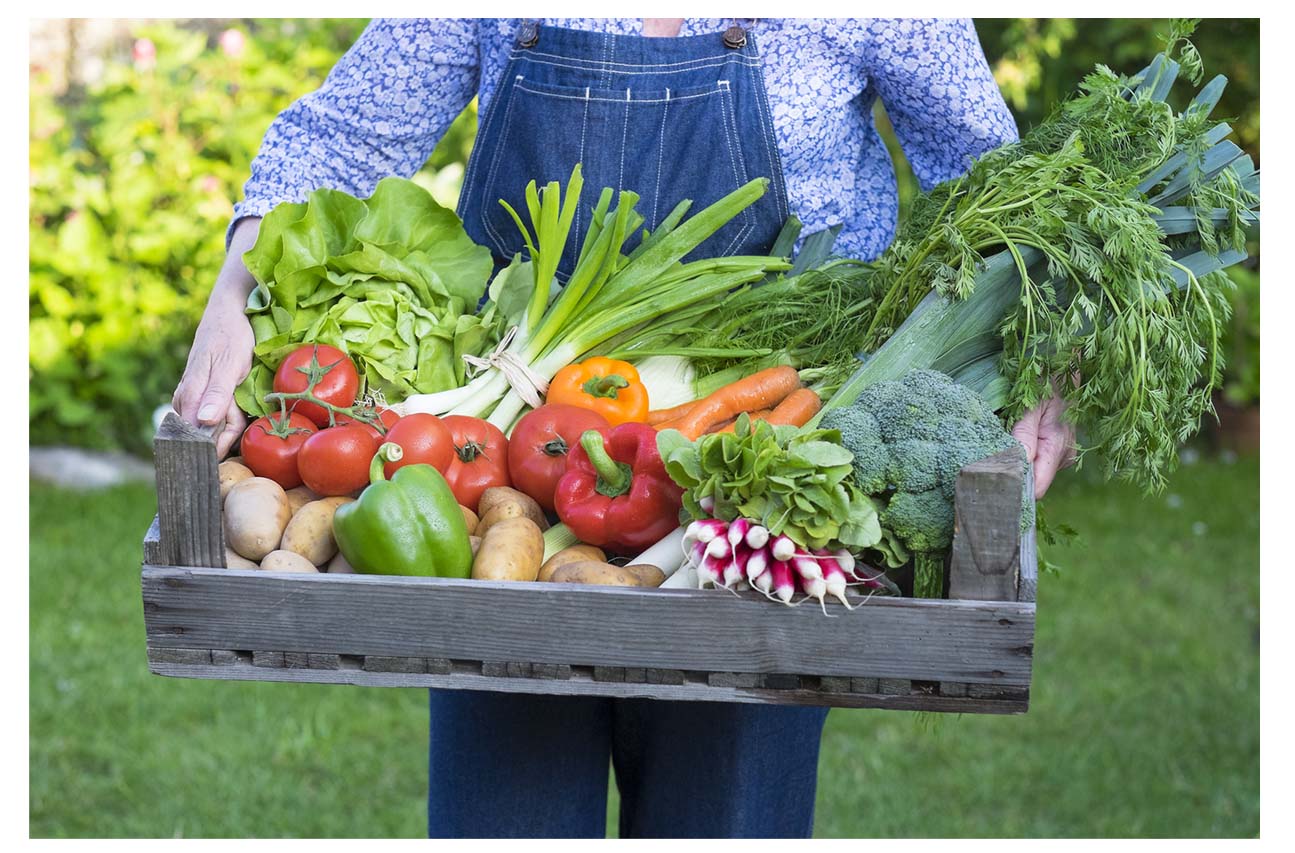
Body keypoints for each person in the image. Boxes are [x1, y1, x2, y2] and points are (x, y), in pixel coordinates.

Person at [174, 18, 1075, 838]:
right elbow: (344, 135)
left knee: (725, 811)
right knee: (507, 810)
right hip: (523, 462)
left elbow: (984, 169)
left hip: (763, 471)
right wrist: (232, 289)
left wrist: (1044, 345)